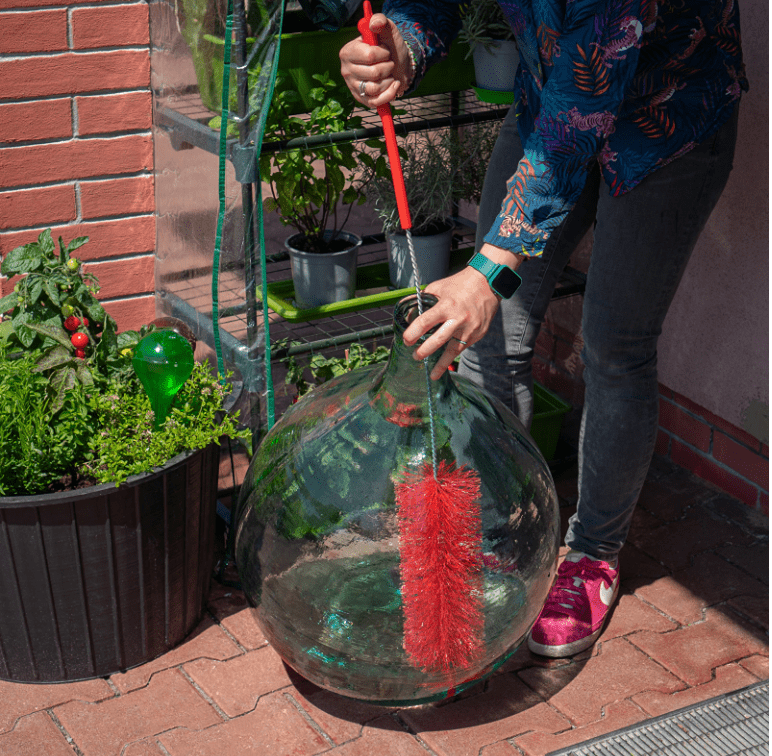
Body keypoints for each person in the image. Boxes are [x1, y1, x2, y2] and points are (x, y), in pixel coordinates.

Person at [340, 0, 747, 657]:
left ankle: (593, 554)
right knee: (489, 337)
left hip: (667, 124)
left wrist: (488, 271)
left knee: (614, 346)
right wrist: (404, 46)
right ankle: (505, 529)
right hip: (549, 104)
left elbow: (580, 112)